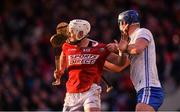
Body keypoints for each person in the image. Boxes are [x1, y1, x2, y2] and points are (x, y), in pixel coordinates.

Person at [53, 19, 129, 112]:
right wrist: (60, 71)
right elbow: (63, 61)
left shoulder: (100, 48)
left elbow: (119, 62)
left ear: (81, 33)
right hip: (72, 93)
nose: (68, 35)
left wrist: (122, 51)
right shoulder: (66, 46)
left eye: (71, 32)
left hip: (91, 90)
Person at [107, 10, 164, 111]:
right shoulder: (129, 42)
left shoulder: (142, 32)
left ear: (123, 23)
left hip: (149, 87)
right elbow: (120, 66)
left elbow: (137, 49)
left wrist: (118, 47)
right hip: (142, 89)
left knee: (140, 109)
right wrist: (100, 60)